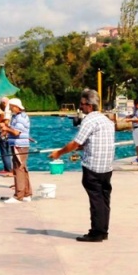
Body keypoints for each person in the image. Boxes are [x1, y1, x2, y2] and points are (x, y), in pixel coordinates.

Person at [49, 89, 115, 242]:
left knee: (96, 200)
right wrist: (83, 147)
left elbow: (76, 142)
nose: (80, 107)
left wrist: (58, 153)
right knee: (104, 200)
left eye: (82, 104)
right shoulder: (107, 120)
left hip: (93, 167)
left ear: (90, 105)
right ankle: (103, 230)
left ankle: (96, 233)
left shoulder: (89, 120)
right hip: (107, 168)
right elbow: (96, 142)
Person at [0, 98, 32, 203]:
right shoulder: (18, 116)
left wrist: (6, 129)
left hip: (19, 146)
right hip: (20, 145)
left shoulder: (20, 118)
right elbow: (15, 130)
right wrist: (6, 128)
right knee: (22, 168)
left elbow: (16, 133)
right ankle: (27, 194)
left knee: (18, 169)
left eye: (12, 107)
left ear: (17, 107)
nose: (11, 109)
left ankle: (19, 196)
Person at [0, 97, 13, 176]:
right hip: (10, 135)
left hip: (4, 134)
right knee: (7, 151)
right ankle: (7, 168)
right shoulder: (12, 112)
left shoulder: (5, 114)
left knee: (4, 152)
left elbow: (2, 123)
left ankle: (8, 169)